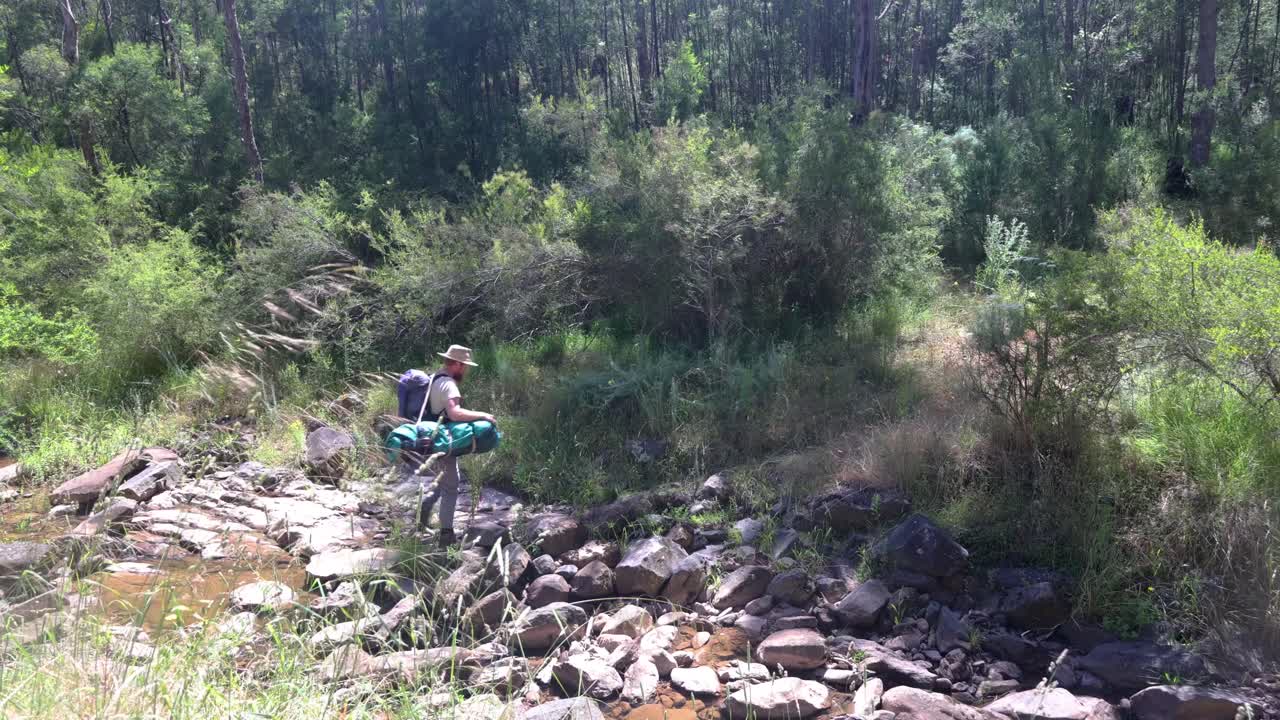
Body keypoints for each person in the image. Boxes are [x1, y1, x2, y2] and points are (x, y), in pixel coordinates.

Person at [414, 344, 495, 547]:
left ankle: (422, 516)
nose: (466, 370)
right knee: (451, 486)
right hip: (441, 440)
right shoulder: (449, 384)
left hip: (430, 437)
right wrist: (483, 415)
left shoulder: (435, 377)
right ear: (458, 364)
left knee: (442, 481)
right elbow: (454, 413)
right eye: (465, 366)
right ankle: (446, 535)